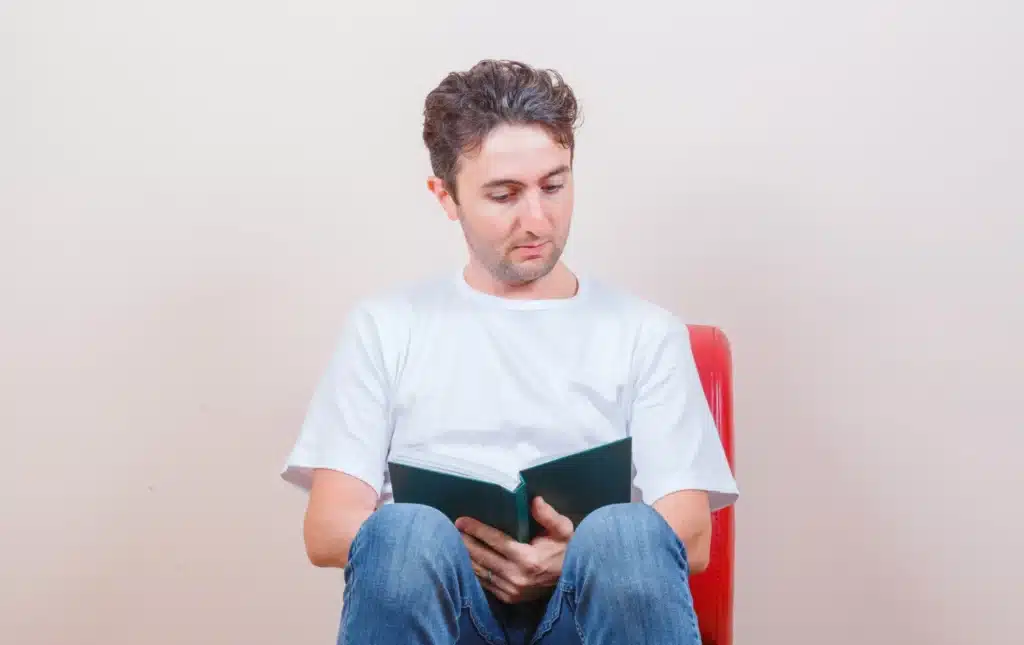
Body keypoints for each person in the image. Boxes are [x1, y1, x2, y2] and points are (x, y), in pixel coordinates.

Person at [281, 59, 739, 645]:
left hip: (586, 616)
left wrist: (570, 559)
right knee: (403, 536)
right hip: (444, 616)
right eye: (504, 195)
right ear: (445, 197)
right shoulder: (386, 326)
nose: (537, 219)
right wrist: (463, 550)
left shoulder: (646, 332)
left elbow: (691, 537)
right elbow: (327, 529)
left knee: (627, 534)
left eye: (554, 186)